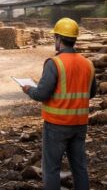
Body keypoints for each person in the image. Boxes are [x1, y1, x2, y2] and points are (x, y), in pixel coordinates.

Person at [22, 18, 97, 190]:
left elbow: (41, 94)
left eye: (55, 37)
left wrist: (28, 89)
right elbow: (91, 93)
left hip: (57, 125)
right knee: (79, 168)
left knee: (51, 169)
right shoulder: (88, 64)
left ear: (59, 38)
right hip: (79, 124)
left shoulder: (54, 63)